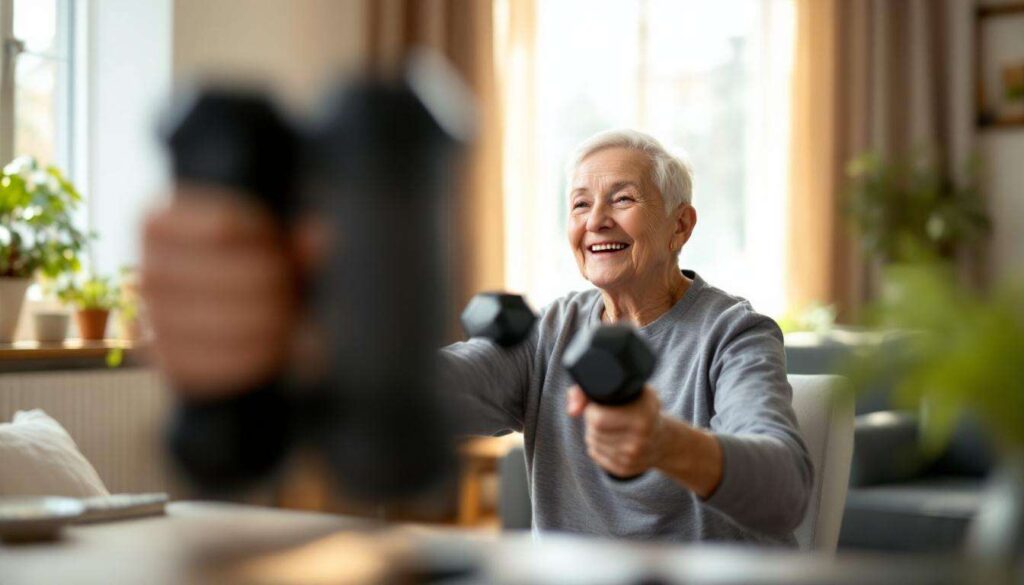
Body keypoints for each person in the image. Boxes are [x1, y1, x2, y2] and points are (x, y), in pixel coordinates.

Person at [142, 129, 811, 545]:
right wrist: (307, 341)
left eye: (623, 198)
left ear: (681, 225)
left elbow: (786, 491)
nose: (596, 221)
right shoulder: (552, 331)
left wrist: (664, 442)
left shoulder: (735, 333)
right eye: (580, 203)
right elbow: (431, 389)